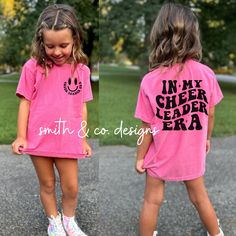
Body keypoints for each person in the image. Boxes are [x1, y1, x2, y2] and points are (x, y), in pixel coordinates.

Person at [135, 2, 224, 236]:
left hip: (160, 153)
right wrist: (206, 138)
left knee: (151, 201)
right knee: (199, 197)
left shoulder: (150, 80)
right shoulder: (206, 74)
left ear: (159, 36)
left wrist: (140, 157)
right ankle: (216, 234)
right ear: (193, 36)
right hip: (191, 153)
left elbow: (146, 126)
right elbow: (210, 112)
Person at [12, 4, 93, 236]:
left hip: (67, 139)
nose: (57, 51)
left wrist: (83, 139)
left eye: (63, 45)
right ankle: (54, 222)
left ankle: (69, 221)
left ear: (75, 39)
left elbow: (82, 107)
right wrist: (21, 135)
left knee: (71, 187)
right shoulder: (32, 68)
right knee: (47, 184)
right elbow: (25, 102)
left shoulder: (82, 71)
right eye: (50, 46)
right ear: (42, 42)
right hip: (39, 139)